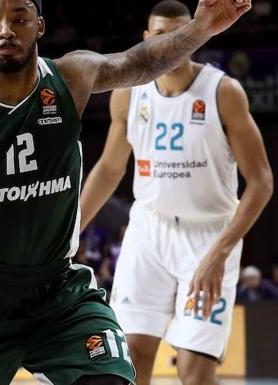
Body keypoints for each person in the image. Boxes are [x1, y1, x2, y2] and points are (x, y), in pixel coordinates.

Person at [0, 0, 253, 384]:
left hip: (58, 291)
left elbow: (137, 62)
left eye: (20, 19)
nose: (6, 29)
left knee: (111, 377)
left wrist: (203, 27)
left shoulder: (70, 78)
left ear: (40, 26)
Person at [80, 1, 273, 385]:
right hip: (149, 232)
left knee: (195, 372)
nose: (172, 44)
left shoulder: (223, 91)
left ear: (194, 37)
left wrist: (218, 254)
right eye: (162, 35)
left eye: (180, 34)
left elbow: (262, 182)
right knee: (130, 360)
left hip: (210, 236)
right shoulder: (129, 92)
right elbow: (110, 168)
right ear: (147, 39)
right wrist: (69, 232)